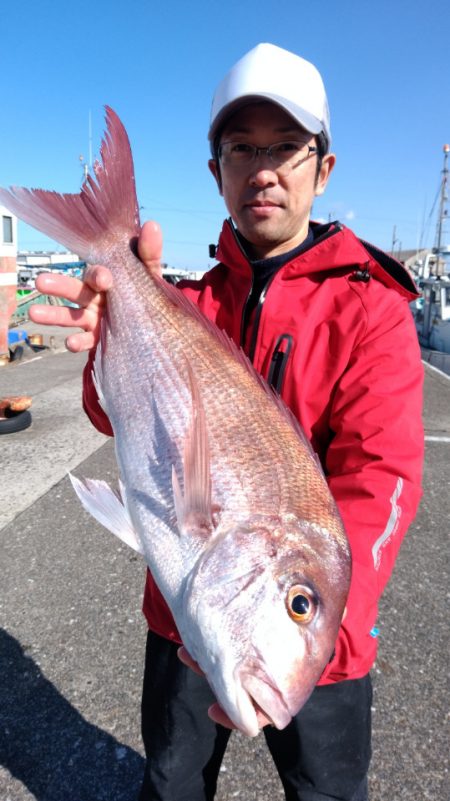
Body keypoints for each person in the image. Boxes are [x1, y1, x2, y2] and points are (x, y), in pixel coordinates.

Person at [30, 43, 424, 801]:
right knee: (172, 782)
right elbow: (113, 416)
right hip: (186, 615)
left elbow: (382, 479)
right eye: (242, 148)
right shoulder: (187, 298)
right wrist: (105, 333)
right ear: (215, 171)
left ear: (324, 168)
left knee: (329, 792)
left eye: (285, 148)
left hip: (319, 648)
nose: (263, 168)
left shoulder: (371, 308)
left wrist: (316, 625)